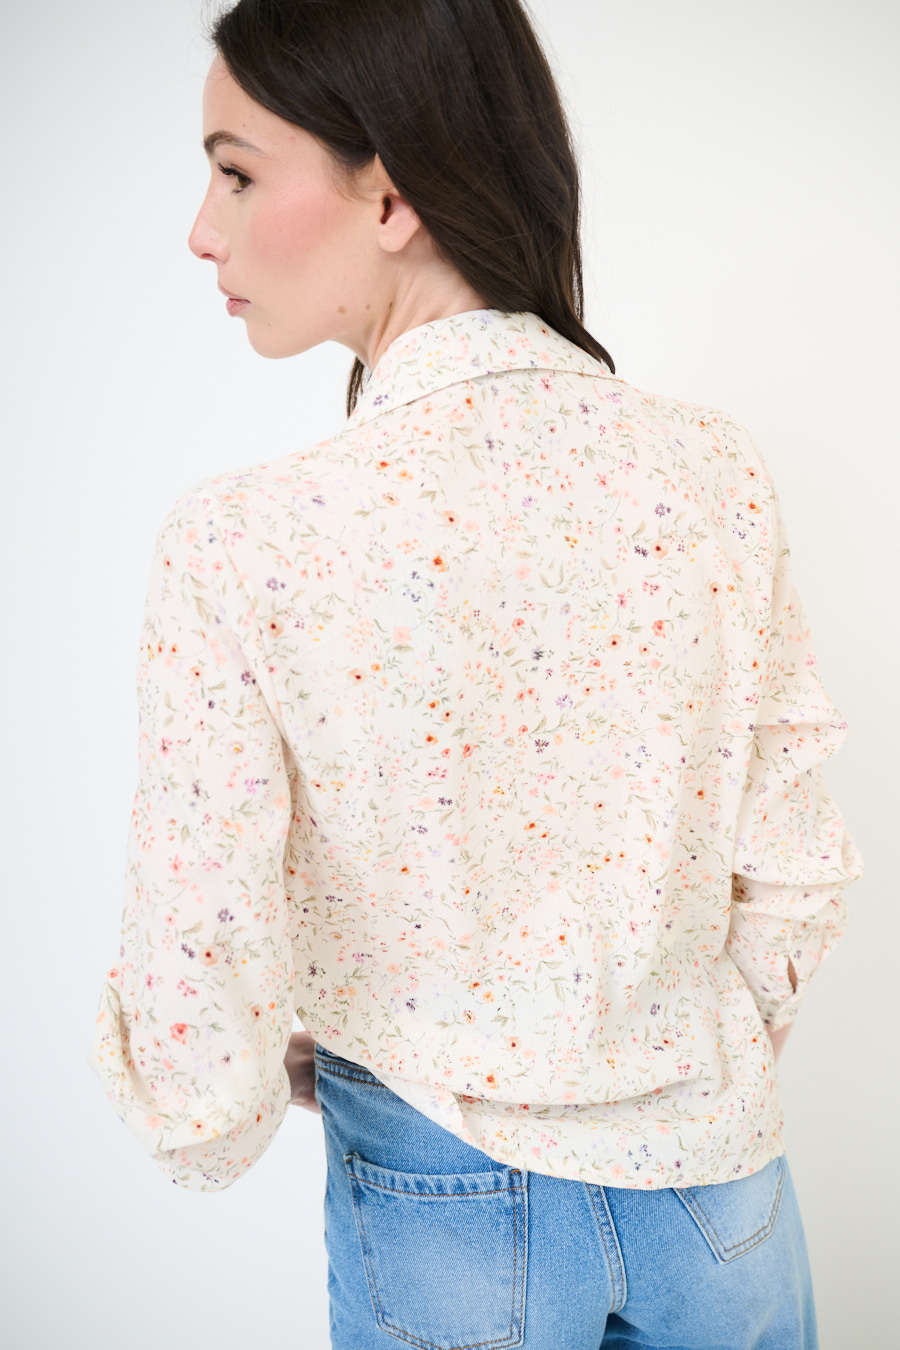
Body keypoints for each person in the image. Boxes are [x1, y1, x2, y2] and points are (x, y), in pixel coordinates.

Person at [87, 1, 865, 1346]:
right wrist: (673, 1068)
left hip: (443, 1195)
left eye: (237, 173)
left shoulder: (245, 540)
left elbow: (199, 975)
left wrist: (222, 1100)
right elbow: (795, 865)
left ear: (390, 195)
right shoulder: (710, 471)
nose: (203, 231)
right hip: (721, 1186)